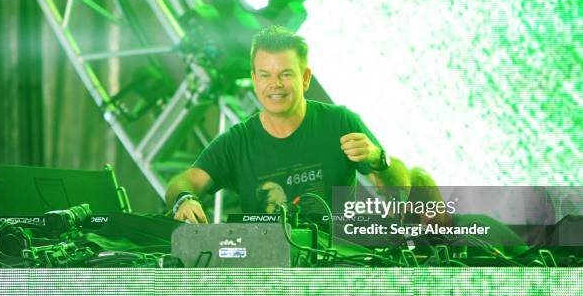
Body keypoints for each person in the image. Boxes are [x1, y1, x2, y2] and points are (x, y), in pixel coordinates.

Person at [165, 25, 410, 224]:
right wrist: (185, 199)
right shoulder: (236, 142)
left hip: (337, 267)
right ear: (254, 80)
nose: (275, 84)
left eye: (285, 74)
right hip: (267, 273)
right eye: (265, 75)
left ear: (305, 78)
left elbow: (402, 189)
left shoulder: (340, 121)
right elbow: (182, 183)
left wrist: (378, 158)